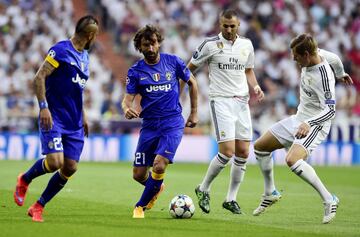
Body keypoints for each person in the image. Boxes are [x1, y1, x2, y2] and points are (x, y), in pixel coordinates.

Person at [253, 33, 353, 224]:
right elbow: (336, 58)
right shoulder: (319, 53)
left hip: (317, 123)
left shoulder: (323, 77)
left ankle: (329, 199)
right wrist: (341, 73)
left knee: (292, 160)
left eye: (296, 56)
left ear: (306, 54)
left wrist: (309, 123)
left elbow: (330, 110)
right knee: (260, 147)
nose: (294, 59)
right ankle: (270, 192)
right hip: (299, 119)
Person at [13, 15, 99, 222]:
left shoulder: (85, 56)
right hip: (54, 118)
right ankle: (24, 179)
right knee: (54, 162)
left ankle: (38, 206)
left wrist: (84, 115)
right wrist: (43, 108)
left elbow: (77, 90)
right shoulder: (60, 50)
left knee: (70, 167)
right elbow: (39, 77)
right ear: (90, 35)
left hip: (75, 121)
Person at [187, 9, 264, 214]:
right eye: (225, 26)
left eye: (233, 26)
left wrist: (255, 87)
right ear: (219, 25)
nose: (229, 29)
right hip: (221, 101)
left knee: (243, 152)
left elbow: (248, 70)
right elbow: (188, 70)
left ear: (238, 26)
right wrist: (186, 98)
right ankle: (203, 188)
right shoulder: (209, 45)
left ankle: (231, 198)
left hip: (242, 102)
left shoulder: (246, 45)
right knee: (227, 151)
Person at [121, 24, 198, 218]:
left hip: (172, 123)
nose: (151, 48)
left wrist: (194, 112)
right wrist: (126, 109)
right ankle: (156, 187)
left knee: (159, 165)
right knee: (138, 174)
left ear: (159, 43)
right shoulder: (135, 71)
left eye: (154, 43)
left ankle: (140, 207)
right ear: (140, 47)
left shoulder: (173, 62)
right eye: (146, 45)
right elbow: (127, 99)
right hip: (149, 126)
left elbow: (192, 83)